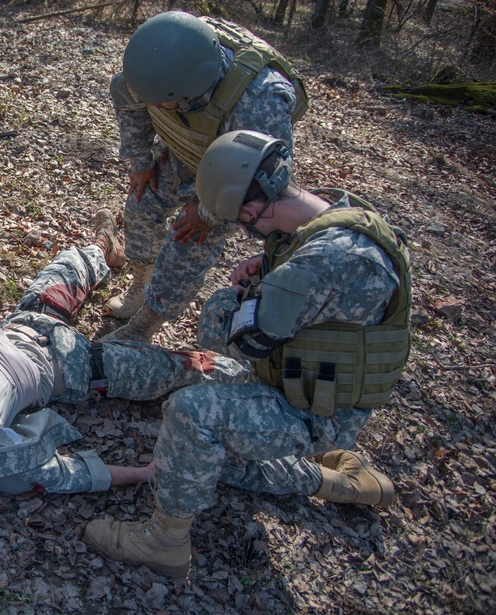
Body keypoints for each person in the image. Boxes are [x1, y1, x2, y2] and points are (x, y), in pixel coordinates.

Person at [82, 130, 411, 577]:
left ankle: (164, 543)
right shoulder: (343, 213)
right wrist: (270, 274)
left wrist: (244, 295)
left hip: (311, 413)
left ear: (253, 209)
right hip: (313, 387)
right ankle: (343, 484)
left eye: (242, 221)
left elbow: (243, 339)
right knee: (208, 461)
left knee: (190, 414)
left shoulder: (322, 260)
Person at [0, 211, 249, 495]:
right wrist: (142, 473)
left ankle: (106, 248)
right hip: (75, 364)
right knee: (184, 367)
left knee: (73, 262)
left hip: (24, 322)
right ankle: (256, 379)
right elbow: (58, 475)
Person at [104, 10, 308, 343]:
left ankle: (146, 324)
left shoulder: (260, 102)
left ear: (188, 92)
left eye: (161, 102)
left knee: (188, 242)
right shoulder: (160, 64)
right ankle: (140, 283)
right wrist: (140, 162)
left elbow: (261, 181)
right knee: (140, 205)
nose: (151, 104)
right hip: (187, 151)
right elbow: (129, 103)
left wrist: (206, 212)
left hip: (236, 181)